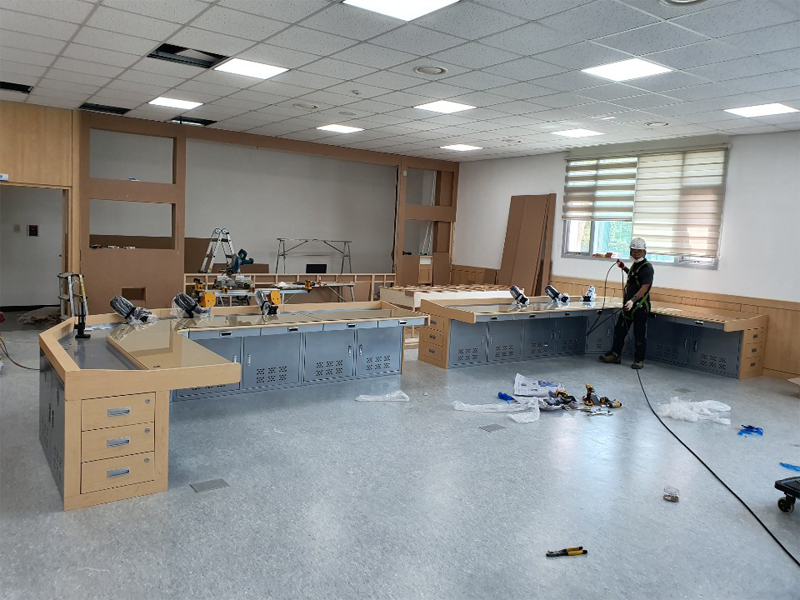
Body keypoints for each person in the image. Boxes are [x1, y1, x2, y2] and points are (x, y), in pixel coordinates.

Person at [599, 237, 654, 369]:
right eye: (634, 251)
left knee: (639, 334)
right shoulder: (635, 265)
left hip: (640, 306)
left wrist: (633, 300)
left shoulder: (647, 268)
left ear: (644, 252)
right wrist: (623, 267)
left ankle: (639, 359)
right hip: (628, 305)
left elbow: (645, 287)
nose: (636, 253)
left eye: (639, 251)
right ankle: (615, 354)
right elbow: (634, 276)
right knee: (619, 330)